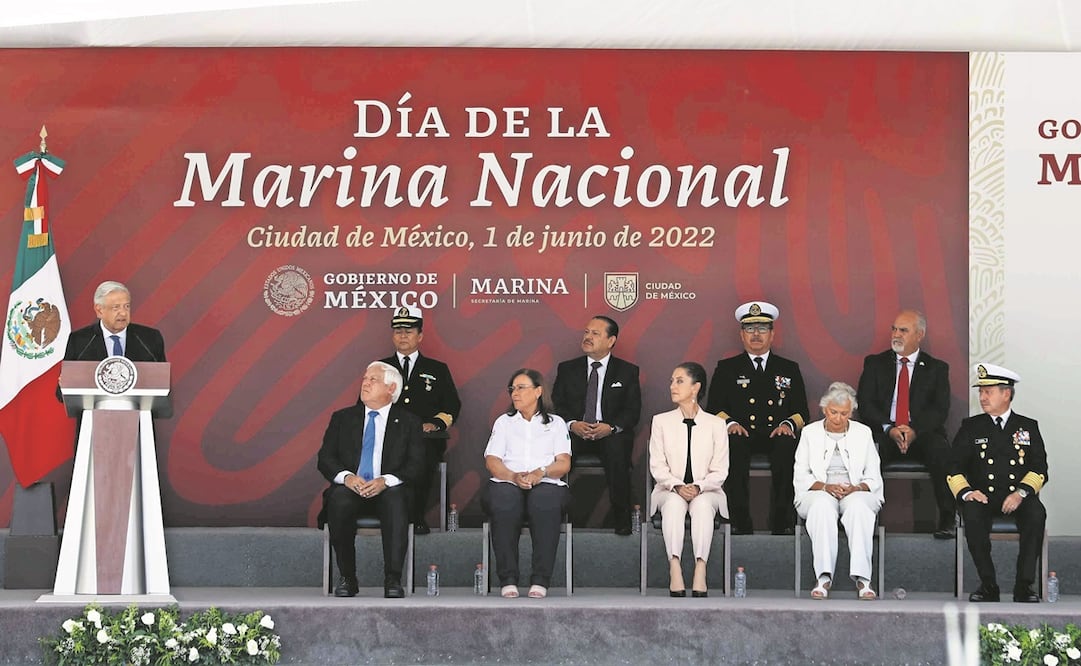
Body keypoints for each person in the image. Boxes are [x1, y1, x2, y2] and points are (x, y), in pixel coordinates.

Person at [317, 361, 424, 598]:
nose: (365, 383)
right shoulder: (343, 418)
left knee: (396, 499)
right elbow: (325, 458)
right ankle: (348, 577)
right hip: (351, 487)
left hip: (388, 489)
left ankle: (393, 579)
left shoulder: (409, 422)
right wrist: (347, 478)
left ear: (391, 387)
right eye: (365, 378)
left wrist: (385, 480)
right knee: (339, 499)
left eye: (373, 379)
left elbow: (417, 465)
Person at [706, 301, 808, 535]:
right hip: (741, 434)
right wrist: (730, 424)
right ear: (741, 335)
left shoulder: (788, 368)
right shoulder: (727, 368)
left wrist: (788, 424)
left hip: (776, 434)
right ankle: (740, 522)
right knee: (733, 447)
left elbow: (802, 411)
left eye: (762, 329)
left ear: (772, 334)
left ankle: (782, 523)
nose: (756, 335)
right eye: (750, 329)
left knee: (787, 447)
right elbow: (714, 409)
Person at [949, 364, 1047, 603]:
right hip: (984, 496)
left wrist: (1021, 493)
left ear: (1006, 393)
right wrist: (967, 492)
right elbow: (953, 467)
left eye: (988, 391)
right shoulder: (971, 427)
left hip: (1018, 497)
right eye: (980, 392)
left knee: (1037, 514)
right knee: (971, 514)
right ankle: (988, 585)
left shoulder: (1027, 426)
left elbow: (1040, 468)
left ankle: (1024, 586)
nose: (982, 397)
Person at [856, 309, 954, 539]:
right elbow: (866, 403)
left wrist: (914, 430)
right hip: (885, 431)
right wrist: (889, 429)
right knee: (870, 452)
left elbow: (940, 409)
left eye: (903, 330)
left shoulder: (937, 368)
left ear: (919, 335)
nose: (896, 334)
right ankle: (865, 520)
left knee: (941, 451)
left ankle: (948, 519)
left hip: (922, 433)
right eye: (894, 329)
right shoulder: (875, 364)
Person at [483, 368, 572, 599]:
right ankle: (508, 578)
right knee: (504, 502)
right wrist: (513, 476)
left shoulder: (556, 423)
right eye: (512, 389)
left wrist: (540, 473)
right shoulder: (504, 422)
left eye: (521, 388)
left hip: (546, 481)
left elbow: (563, 463)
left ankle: (540, 579)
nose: (515, 393)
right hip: (508, 480)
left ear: (539, 391)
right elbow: (492, 460)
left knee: (544, 502)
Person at [793, 382, 884, 600]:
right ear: (824, 409)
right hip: (817, 491)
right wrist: (825, 487)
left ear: (851, 413)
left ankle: (864, 580)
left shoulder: (863, 433)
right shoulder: (809, 433)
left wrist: (855, 488)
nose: (838, 418)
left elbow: (873, 476)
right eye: (833, 412)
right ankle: (824, 578)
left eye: (844, 414)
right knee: (822, 507)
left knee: (859, 508)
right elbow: (801, 475)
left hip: (855, 490)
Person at [552, 316, 641, 535]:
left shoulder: (627, 371)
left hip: (609, 433)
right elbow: (557, 404)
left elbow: (632, 411)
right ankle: (551, 518)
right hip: (575, 432)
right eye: (586, 332)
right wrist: (572, 424)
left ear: (611, 341)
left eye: (595, 334)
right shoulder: (567, 369)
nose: (587, 337)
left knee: (617, 450)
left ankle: (622, 522)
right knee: (555, 452)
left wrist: (610, 427)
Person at [376, 305, 461, 535]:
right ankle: (388, 514)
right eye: (398, 331)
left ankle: (414, 516)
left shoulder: (437, 369)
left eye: (409, 330)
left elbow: (452, 406)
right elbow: (363, 405)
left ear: (420, 336)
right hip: (386, 438)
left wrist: (435, 423)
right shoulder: (379, 368)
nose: (403, 335)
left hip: (424, 439)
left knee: (421, 458)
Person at [648, 362, 729, 598]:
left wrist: (699, 487)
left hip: (707, 491)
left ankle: (700, 568)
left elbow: (720, 470)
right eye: (672, 381)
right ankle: (675, 566)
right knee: (673, 505)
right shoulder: (660, 421)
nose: (673, 386)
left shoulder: (717, 424)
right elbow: (657, 466)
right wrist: (677, 485)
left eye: (679, 381)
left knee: (703, 507)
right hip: (668, 489)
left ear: (695, 388)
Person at [62, 281, 166, 363]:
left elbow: (162, 383)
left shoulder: (150, 339)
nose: (123, 313)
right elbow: (66, 386)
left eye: (127, 306)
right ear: (99, 310)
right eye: (116, 307)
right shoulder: (79, 341)